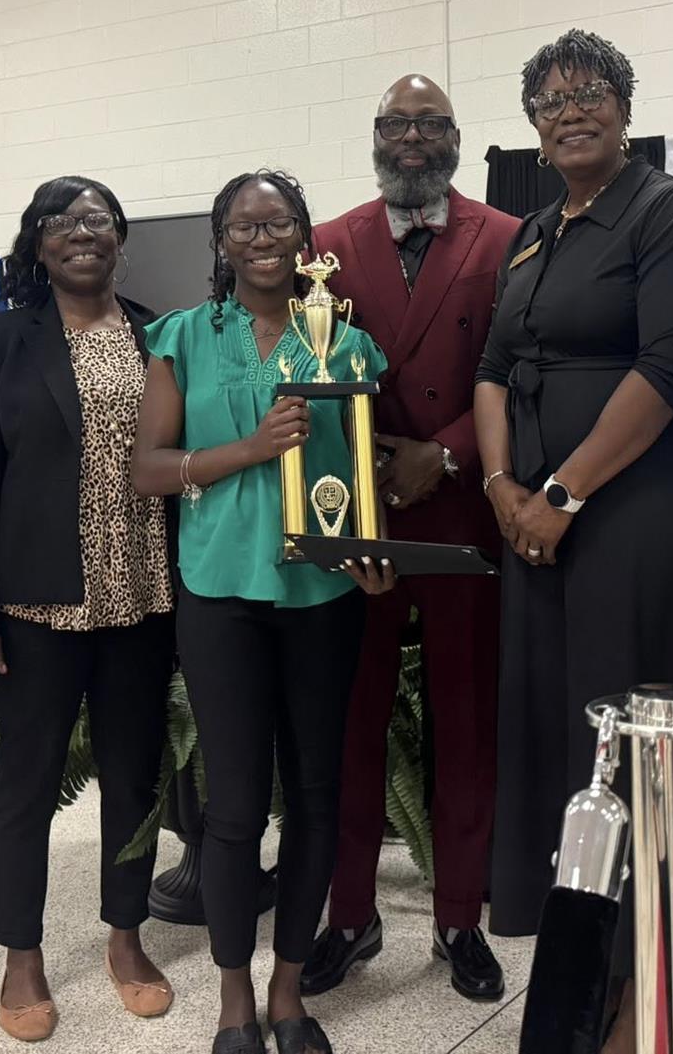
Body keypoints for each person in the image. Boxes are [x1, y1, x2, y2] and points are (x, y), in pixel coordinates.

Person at [475, 29, 673, 1054]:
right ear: (532, 126)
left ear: (623, 107)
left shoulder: (666, 214)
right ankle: (576, 971)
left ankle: (642, 991)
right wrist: (500, 488)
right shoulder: (534, 231)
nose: (569, 111)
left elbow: (668, 370)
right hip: (535, 529)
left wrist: (561, 493)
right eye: (549, 101)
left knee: (630, 757)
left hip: (630, 521)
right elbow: (492, 364)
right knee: (558, 749)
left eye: (588, 94)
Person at [134, 170, 396, 1054]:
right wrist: (247, 449)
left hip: (322, 598)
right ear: (221, 240)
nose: (260, 236)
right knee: (236, 802)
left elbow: (358, 466)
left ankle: (290, 993)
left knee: (317, 793)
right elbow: (148, 468)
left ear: (304, 237)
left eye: (277, 221)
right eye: (242, 224)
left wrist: (372, 549)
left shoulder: (344, 340)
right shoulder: (180, 338)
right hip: (220, 594)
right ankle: (234, 998)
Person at [303, 76, 520, 1004]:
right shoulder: (326, 245)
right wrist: (364, 474)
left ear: (459, 138)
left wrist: (447, 453)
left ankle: (459, 916)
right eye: (398, 123)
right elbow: (303, 376)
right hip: (361, 520)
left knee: (466, 723)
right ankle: (350, 913)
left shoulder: (509, 239)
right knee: (351, 723)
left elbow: (521, 371)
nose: (414, 138)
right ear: (376, 137)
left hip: (466, 511)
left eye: (431, 124)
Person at [0, 176, 177, 1042]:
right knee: (27, 784)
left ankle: (125, 937)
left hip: (144, 596)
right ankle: (21, 953)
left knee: (133, 774)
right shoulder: (1, 340)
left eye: (98, 219)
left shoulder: (161, 332)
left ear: (120, 236)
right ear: (37, 243)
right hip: (37, 603)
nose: (82, 232)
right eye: (61, 221)